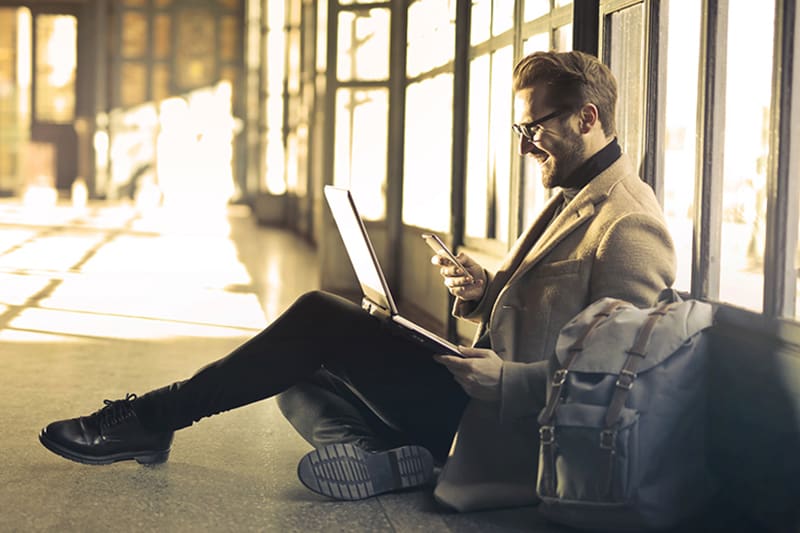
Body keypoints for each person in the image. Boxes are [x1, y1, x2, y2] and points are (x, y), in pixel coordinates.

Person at [39, 50, 675, 511]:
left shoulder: (629, 224)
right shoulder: (574, 192)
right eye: (520, 129)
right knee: (292, 371)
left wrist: (508, 380)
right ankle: (391, 457)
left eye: (535, 128)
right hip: (477, 396)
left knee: (318, 318)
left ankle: (152, 417)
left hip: (505, 423)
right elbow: (555, 318)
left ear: (587, 117)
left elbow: (623, 385)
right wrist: (487, 292)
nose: (524, 145)